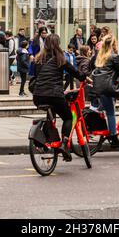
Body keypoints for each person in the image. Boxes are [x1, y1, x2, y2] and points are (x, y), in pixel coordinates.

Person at [33, 34, 89, 162]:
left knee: (51, 116)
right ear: (57, 44)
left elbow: (36, 76)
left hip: (38, 95)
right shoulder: (60, 58)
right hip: (54, 94)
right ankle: (64, 144)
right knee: (68, 117)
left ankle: (49, 139)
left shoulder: (39, 58)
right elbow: (74, 72)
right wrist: (85, 78)